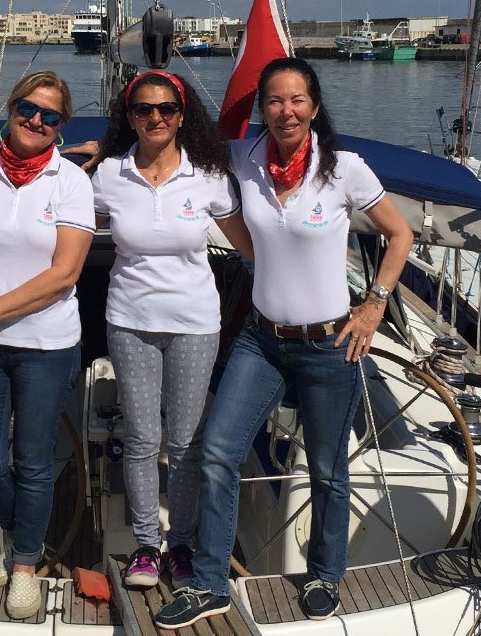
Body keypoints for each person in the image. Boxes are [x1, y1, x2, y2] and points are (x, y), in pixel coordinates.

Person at [155, 57, 414, 629]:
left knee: (326, 468)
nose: (285, 110)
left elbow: (401, 234)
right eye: (274, 100)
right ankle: (210, 582)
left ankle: (325, 574)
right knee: (219, 450)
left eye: (296, 100)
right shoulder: (243, 160)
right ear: (262, 110)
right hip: (261, 339)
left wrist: (373, 305)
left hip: (329, 344)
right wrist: (103, 158)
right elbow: (179, 164)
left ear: (314, 107)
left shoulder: (344, 169)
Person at [0, 71, 95, 620]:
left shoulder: (70, 181)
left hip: (48, 344)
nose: (36, 121)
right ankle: (15, 528)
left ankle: (25, 562)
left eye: (50, 116)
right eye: (29, 109)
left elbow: (65, 274)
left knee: (32, 462)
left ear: (60, 127)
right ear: (11, 108)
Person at [90, 70, 254, 591]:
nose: (154, 117)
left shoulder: (206, 174)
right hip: (129, 321)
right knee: (141, 438)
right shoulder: (108, 175)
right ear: (129, 116)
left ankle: (180, 544)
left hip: (195, 325)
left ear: (182, 115)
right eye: (143, 109)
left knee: (185, 441)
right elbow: (66, 222)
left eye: (165, 109)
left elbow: (248, 243)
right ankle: (146, 545)